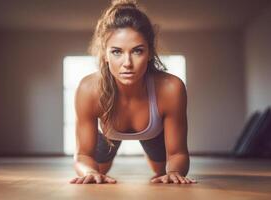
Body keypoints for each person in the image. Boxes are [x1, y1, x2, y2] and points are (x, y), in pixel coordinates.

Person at [70, 0, 196, 184]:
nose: (127, 63)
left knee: (161, 172)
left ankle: (150, 153)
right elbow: (82, 155)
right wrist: (88, 170)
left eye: (137, 51)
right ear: (105, 54)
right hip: (106, 135)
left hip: (154, 133)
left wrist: (175, 171)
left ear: (150, 52)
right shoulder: (88, 90)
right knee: (97, 175)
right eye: (116, 52)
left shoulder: (171, 88)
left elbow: (178, 153)